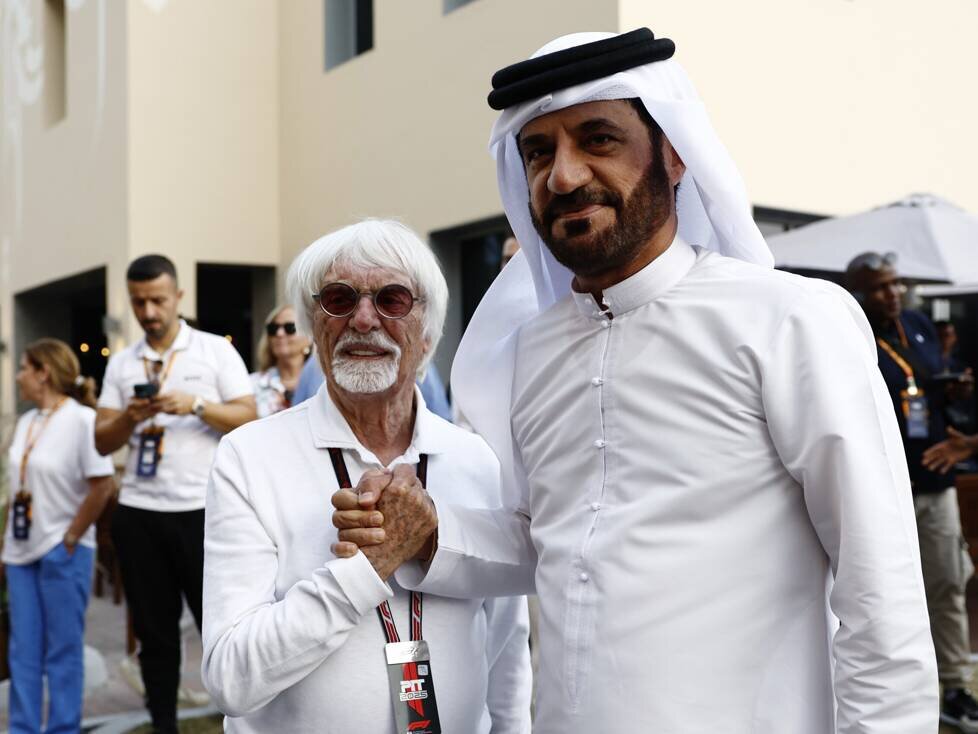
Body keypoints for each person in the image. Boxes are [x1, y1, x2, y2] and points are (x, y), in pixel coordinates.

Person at [332, 29, 937, 733]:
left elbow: (879, 584)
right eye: (538, 152)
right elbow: (549, 541)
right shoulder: (531, 352)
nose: (563, 176)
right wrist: (430, 533)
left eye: (598, 139)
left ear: (674, 153)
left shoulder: (787, 319)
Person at [201, 219, 531, 733]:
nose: (362, 319)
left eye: (392, 300)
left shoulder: (477, 459)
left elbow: (507, 646)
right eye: (339, 298)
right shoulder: (248, 457)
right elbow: (230, 679)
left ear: (427, 331)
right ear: (314, 326)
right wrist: (364, 570)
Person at [94, 254, 256, 734]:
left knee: (221, 627)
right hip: (139, 512)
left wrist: (197, 405)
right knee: (154, 633)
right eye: (139, 302)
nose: (148, 312)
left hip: (204, 512)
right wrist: (130, 417)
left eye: (158, 300)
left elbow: (249, 418)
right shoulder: (122, 362)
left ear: (178, 297)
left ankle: (241, 722)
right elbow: (101, 440)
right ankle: (163, 724)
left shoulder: (214, 351)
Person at [845, 251, 978, 730]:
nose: (893, 293)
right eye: (881, 286)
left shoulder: (918, 325)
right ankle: (893, 692)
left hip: (934, 481)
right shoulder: (850, 333)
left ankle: (956, 687)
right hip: (879, 486)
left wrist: (954, 392)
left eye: (896, 283)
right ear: (859, 291)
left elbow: (924, 386)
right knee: (880, 591)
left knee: (947, 583)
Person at [2, 339, 115, 734]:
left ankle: (63, 728)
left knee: (63, 650)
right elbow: (18, 487)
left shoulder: (83, 420)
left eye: (23, 368)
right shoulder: (26, 422)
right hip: (20, 553)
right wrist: (5, 544)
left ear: (43, 373)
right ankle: (23, 728)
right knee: (23, 650)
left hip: (63, 550)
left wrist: (70, 537)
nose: (18, 376)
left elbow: (103, 485)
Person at [292, 334, 454, 422]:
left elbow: (440, 419)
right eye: (342, 301)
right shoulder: (314, 367)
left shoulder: (415, 364)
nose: (364, 321)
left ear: (426, 338)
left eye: (389, 302)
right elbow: (298, 419)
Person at [250, 304, 311, 418]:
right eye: (273, 329)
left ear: (309, 337)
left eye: (290, 328)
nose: (279, 333)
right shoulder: (250, 385)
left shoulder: (324, 383)